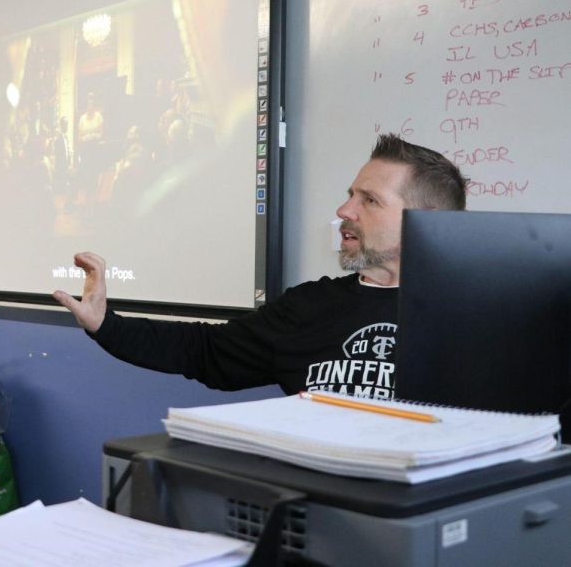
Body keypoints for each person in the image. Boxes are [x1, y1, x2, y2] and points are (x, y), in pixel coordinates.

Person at [52, 134, 467, 400]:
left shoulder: (479, 317)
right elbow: (203, 352)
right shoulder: (309, 308)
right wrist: (106, 324)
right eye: (350, 196)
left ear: (427, 220)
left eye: (369, 201)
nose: (344, 210)